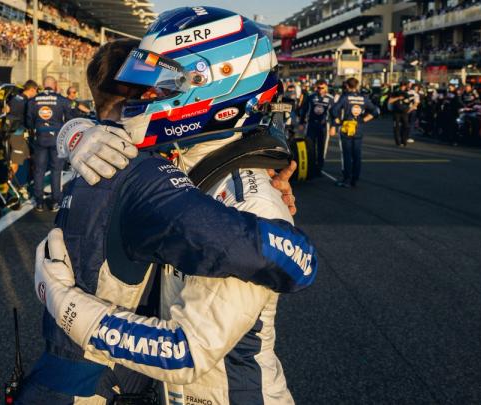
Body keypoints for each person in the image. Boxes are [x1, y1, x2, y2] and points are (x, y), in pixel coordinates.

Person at [21, 9, 316, 404]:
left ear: (211, 83)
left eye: (161, 84)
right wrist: (77, 132)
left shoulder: (252, 202)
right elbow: (113, 127)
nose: (145, 96)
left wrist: (68, 306)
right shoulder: (189, 166)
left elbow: (184, 352)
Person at [26, 76, 72, 212]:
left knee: (39, 170)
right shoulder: (61, 100)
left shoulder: (33, 101)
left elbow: (28, 122)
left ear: (43, 85)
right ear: (55, 85)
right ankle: (55, 202)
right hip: (57, 138)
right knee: (56, 171)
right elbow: (69, 119)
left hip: (40, 137)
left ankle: (39, 202)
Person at [330, 77, 379, 188]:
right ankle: (355, 179)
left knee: (347, 155)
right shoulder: (363, 98)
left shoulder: (345, 97)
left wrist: (338, 121)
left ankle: (347, 179)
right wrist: (363, 120)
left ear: (347, 86)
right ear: (357, 86)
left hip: (347, 128)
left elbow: (334, 110)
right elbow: (375, 111)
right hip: (358, 127)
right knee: (356, 155)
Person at [4, 79, 38, 199]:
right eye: (36, 90)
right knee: (15, 163)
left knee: (29, 156)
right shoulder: (25, 102)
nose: (36, 93)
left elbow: (6, 109)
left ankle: (23, 184)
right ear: (32, 89)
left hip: (11, 132)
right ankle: (5, 189)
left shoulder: (15, 97)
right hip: (17, 134)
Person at [300, 79, 335, 176]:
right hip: (311, 125)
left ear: (326, 87)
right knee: (309, 146)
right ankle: (310, 166)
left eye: (322, 88)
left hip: (324, 126)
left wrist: (333, 126)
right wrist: (301, 123)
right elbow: (304, 109)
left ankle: (319, 168)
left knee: (322, 147)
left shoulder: (331, 99)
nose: (320, 90)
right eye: (318, 88)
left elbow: (334, 114)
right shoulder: (311, 97)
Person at [387, 81, 414, 147]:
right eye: (402, 86)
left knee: (406, 126)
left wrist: (409, 109)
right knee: (396, 127)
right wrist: (398, 98)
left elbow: (410, 103)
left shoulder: (407, 93)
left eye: (404, 86)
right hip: (396, 112)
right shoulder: (395, 93)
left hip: (404, 112)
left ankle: (404, 140)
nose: (403, 87)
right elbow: (390, 101)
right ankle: (398, 142)